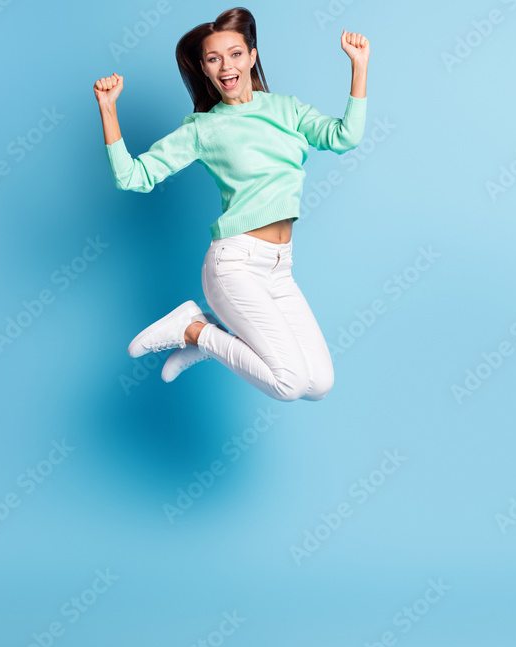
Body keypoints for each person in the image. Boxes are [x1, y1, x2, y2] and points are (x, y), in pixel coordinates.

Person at [93, 6, 369, 401]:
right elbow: (131, 177)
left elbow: (344, 136)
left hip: (280, 267)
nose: (226, 66)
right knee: (289, 384)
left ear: (252, 56)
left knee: (319, 384)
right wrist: (108, 109)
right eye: (213, 58)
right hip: (234, 264)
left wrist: (359, 67)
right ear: (204, 70)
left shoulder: (286, 109)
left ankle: (201, 330)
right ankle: (195, 330)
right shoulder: (203, 129)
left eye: (236, 53)